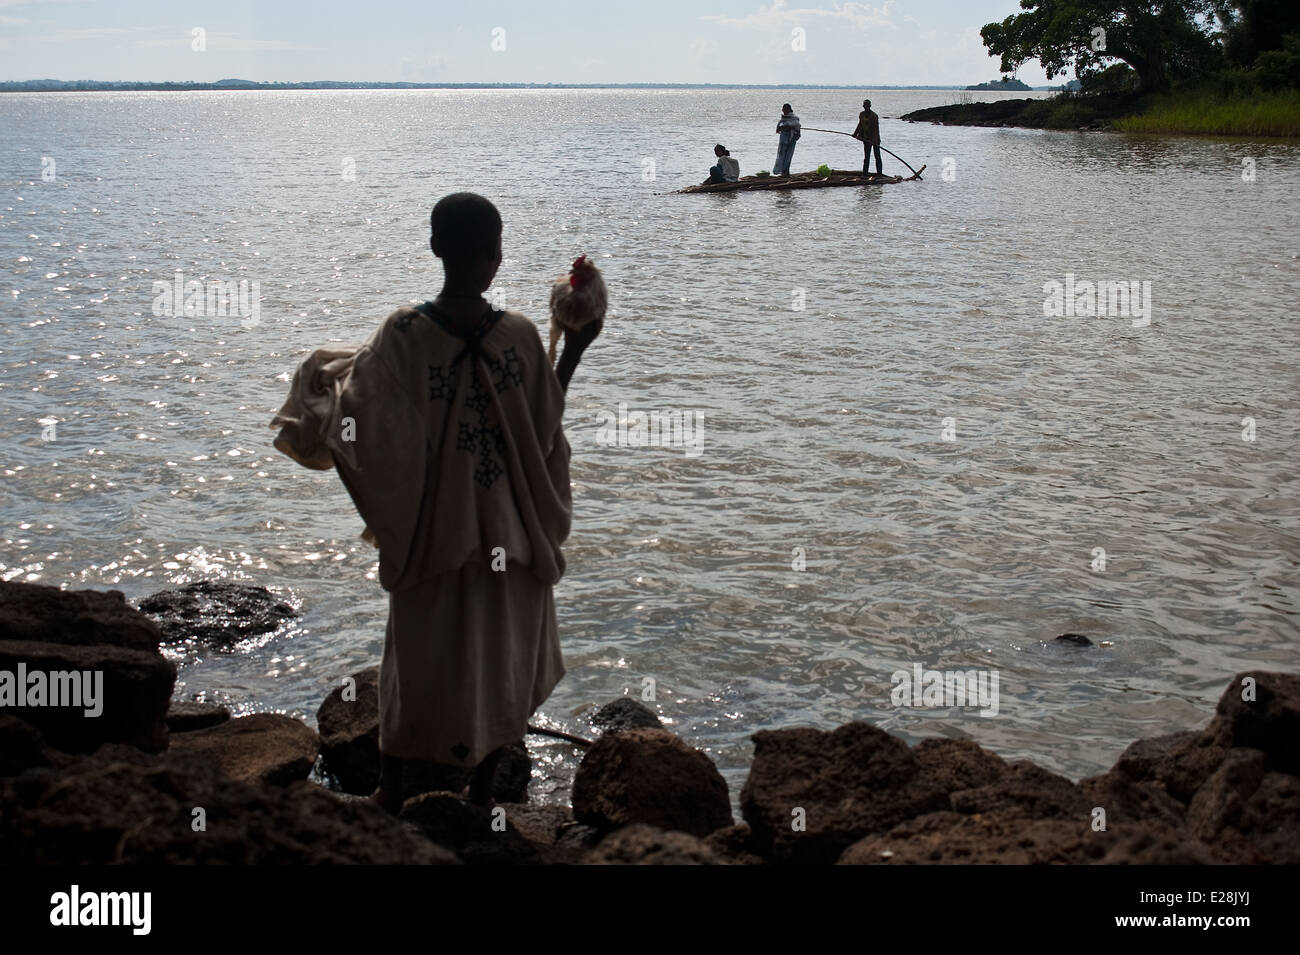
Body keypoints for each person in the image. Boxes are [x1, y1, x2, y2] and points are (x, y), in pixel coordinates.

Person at [270, 193, 600, 812]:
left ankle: (389, 795)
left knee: (415, 664)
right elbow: (544, 429)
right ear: (497, 256)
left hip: (434, 536)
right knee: (504, 660)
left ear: (434, 247)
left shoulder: (401, 334)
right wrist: (576, 348)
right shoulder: (522, 336)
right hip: (512, 533)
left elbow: (368, 419)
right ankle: (479, 799)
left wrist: (324, 381)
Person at [853, 98, 883, 176]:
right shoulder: (861, 114)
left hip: (875, 139)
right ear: (863, 106)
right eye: (864, 105)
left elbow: (876, 129)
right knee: (867, 157)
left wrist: (874, 140)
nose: (865, 106)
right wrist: (855, 134)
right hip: (866, 139)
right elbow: (860, 125)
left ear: (870, 106)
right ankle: (865, 173)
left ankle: (879, 173)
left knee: (877, 156)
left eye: (867, 105)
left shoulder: (874, 116)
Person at [773, 104, 800, 176]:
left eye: (785, 109)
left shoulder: (794, 118)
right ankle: (781, 171)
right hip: (783, 140)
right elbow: (778, 128)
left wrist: (788, 126)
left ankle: (786, 172)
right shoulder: (783, 119)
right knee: (781, 155)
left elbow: (797, 125)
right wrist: (782, 127)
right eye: (783, 109)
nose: (783, 111)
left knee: (788, 155)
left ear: (788, 110)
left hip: (791, 140)